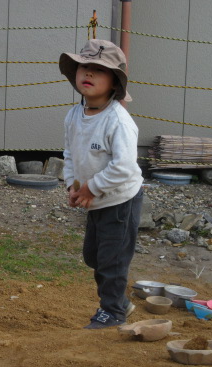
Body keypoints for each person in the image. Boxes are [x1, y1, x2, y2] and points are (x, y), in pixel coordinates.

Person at [59, 38, 144, 329]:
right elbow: (70, 153)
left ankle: (112, 312)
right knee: (93, 256)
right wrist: (73, 184)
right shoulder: (74, 115)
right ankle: (119, 301)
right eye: (84, 67)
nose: (89, 74)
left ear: (114, 83)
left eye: (99, 69)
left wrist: (91, 188)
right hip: (95, 200)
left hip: (120, 200)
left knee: (112, 260)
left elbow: (124, 166)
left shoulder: (117, 121)